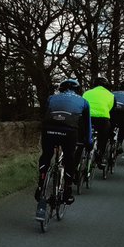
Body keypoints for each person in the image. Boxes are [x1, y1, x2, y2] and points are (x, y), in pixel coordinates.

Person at [36, 78, 91, 216]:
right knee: (69, 158)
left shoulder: (51, 98)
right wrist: (87, 141)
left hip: (49, 129)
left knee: (46, 155)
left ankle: (41, 185)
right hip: (69, 131)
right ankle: (67, 190)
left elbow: (45, 114)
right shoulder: (83, 101)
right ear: (78, 90)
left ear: (61, 89)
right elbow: (87, 125)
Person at [82, 77, 115, 171]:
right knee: (103, 137)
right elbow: (112, 111)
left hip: (87, 118)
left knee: (81, 138)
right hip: (102, 119)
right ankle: (99, 156)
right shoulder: (111, 95)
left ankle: (77, 158)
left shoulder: (87, 92)